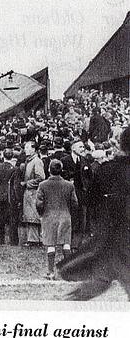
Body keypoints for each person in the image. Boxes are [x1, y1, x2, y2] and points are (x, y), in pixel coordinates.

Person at [58, 127, 130, 300]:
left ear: (122, 145)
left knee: (102, 277)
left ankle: (67, 304)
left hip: (111, 235)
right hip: (119, 236)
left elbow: (89, 200)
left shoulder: (107, 169)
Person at [36, 159, 78, 279]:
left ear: (49, 170)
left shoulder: (43, 185)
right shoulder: (69, 185)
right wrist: (69, 213)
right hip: (65, 216)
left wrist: (41, 213)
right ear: (61, 170)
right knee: (66, 244)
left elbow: (39, 203)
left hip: (49, 217)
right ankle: (69, 272)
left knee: (50, 244)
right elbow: (75, 203)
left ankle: (50, 272)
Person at [61, 140, 91, 250]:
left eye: (83, 146)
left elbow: (89, 176)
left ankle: (76, 243)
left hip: (82, 193)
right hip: (69, 193)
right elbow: (61, 175)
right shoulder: (65, 160)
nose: (83, 148)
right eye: (80, 147)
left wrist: (86, 186)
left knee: (82, 217)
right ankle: (67, 241)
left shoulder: (85, 160)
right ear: (73, 148)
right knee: (70, 217)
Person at [21, 141, 45, 247]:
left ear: (33, 149)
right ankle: (33, 239)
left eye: (27, 147)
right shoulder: (29, 161)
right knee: (30, 215)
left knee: (33, 215)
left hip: (34, 192)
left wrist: (27, 183)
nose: (25, 149)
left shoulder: (36, 161)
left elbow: (41, 178)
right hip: (30, 192)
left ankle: (35, 240)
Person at [0, 148, 15, 244]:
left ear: (3, 156)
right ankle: (13, 240)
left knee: (0, 218)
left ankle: (0, 239)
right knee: (12, 219)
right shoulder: (14, 169)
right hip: (10, 195)